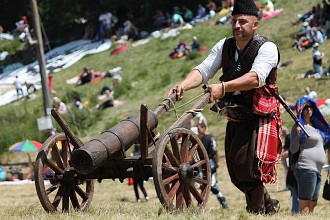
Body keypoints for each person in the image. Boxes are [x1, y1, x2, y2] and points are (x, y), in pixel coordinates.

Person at [167, 0, 282, 214]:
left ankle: (256, 212)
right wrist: (183, 85)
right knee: (236, 174)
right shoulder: (225, 46)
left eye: (243, 21)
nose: (237, 26)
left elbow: (255, 78)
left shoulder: (267, 48)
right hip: (236, 114)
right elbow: (204, 70)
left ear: (255, 24)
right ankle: (267, 204)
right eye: (234, 21)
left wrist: (223, 87)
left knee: (248, 169)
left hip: (259, 115)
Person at [290, 96, 330, 213]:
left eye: (310, 107)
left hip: (317, 169)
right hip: (305, 167)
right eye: (306, 107)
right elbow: (293, 149)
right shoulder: (297, 127)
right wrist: (297, 135)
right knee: (305, 202)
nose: (309, 110)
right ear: (300, 109)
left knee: (313, 202)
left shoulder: (316, 127)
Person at [197, 122, 228, 209]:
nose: (198, 131)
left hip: (208, 162)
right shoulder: (212, 137)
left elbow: (202, 152)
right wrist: (217, 162)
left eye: (199, 129)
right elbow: (217, 151)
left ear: (204, 128)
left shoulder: (205, 138)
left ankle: (222, 200)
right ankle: (200, 204)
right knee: (206, 184)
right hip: (213, 161)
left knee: (211, 185)